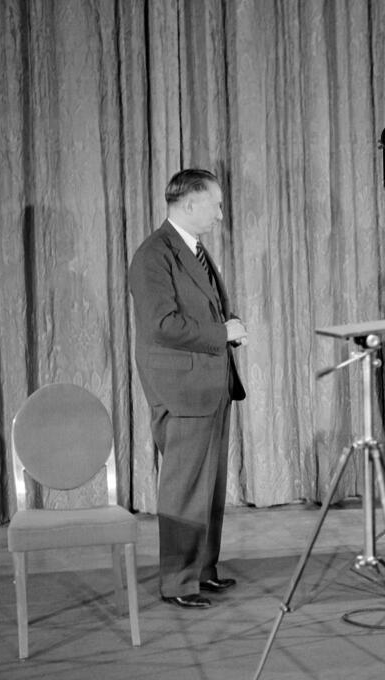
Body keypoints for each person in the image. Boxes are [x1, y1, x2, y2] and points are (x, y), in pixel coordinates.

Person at [129, 168, 248, 610]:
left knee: (209, 487)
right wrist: (221, 332)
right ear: (190, 203)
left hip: (209, 383)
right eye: (216, 204)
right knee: (184, 489)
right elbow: (161, 325)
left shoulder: (193, 249)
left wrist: (228, 329)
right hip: (181, 388)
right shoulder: (154, 254)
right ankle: (178, 581)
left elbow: (200, 309)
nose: (220, 214)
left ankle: (202, 570)